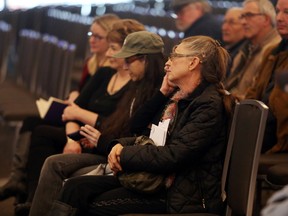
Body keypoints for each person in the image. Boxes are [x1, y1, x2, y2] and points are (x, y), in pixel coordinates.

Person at [47, 35, 236, 216]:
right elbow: (148, 135)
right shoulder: (180, 99)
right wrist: (116, 145)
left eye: (175, 56)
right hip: (159, 181)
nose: (167, 63)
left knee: (88, 202)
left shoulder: (208, 105)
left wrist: (123, 153)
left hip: (180, 196)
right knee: (76, 187)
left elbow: (174, 155)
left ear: (193, 63)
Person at [13, 19, 147, 216]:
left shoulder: (137, 85)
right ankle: (29, 196)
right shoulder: (104, 73)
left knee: (47, 145)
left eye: (113, 48)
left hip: (101, 143)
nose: (109, 54)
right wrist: (71, 138)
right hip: (83, 135)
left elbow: (118, 127)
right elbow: (71, 110)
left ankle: (30, 198)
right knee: (40, 131)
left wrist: (80, 115)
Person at [0, 13, 120, 203]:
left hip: (84, 120)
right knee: (33, 123)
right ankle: (20, 182)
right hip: (76, 113)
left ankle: (29, 192)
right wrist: (74, 96)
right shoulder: (92, 62)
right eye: (91, 35)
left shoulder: (110, 69)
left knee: (39, 130)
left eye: (99, 37)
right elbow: (81, 93)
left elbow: (94, 105)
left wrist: (75, 105)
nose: (92, 40)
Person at [245, 0, 288, 153]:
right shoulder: (272, 52)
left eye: (287, 12)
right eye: (278, 11)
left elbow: (280, 106)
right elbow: (254, 92)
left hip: (278, 140)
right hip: (258, 127)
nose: (280, 18)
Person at [225, 0, 281, 99]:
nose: (243, 22)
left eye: (249, 15)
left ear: (266, 20)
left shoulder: (274, 50)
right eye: (242, 16)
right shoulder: (245, 49)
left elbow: (258, 99)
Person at [221, 7, 246, 77]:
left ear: (245, 25)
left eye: (232, 23)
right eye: (224, 22)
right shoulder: (221, 48)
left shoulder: (244, 54)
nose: (224, 28)